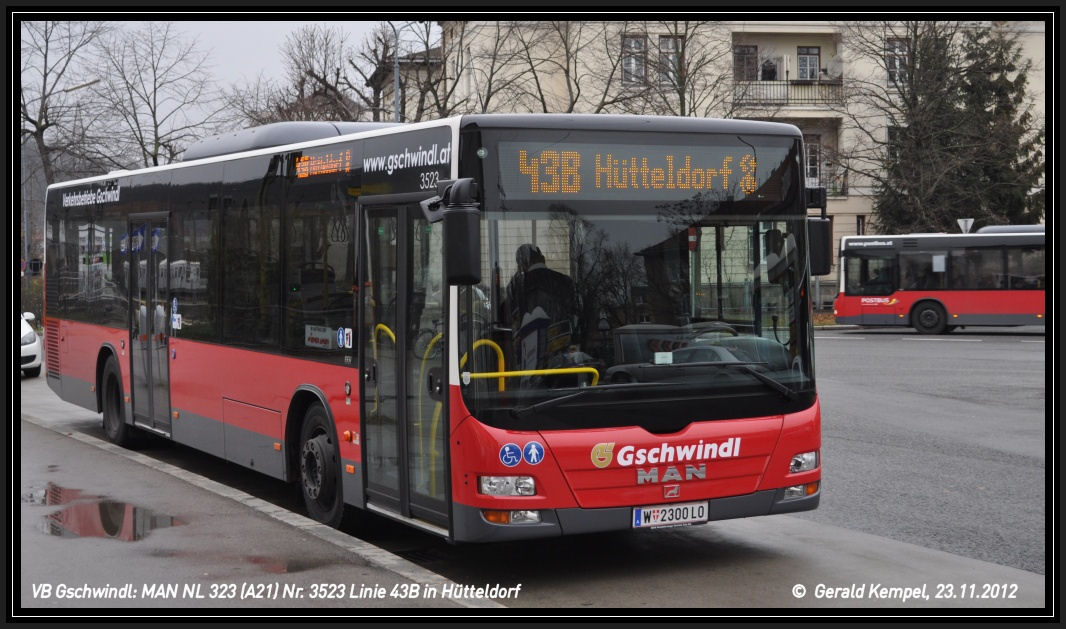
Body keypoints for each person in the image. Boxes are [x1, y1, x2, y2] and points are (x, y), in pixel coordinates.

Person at [503, 244, 580, 376]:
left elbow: (510, 322)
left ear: (522, 265)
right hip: (565, 360)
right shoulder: (565, 281)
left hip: (529, 361)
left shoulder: (516, 287)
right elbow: (576, 317)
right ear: (543, 258)